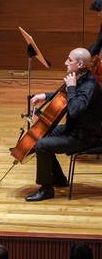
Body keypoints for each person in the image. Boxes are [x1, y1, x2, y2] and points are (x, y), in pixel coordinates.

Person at [26, 48, 102, 201]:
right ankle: (59, 179)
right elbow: (66, 96)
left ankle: (46, 189)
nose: (65, 62)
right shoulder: (79, 76)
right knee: (38, 135)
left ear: (80, 64)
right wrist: (45, 96)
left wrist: (71, 87)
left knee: (41, 145)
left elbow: (74, 110)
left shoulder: (90, 86)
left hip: (85, 136)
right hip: (73, 129)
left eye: (69, 60)